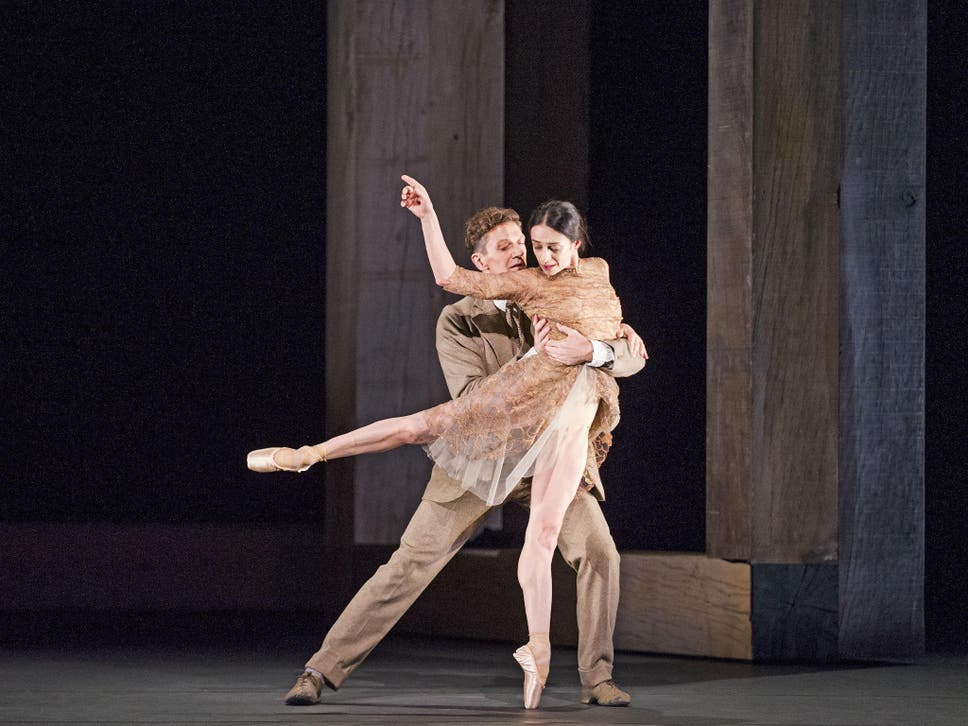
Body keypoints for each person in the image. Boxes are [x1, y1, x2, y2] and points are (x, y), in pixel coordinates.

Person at [250, 176, 646, 708]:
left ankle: (597, 679)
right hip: (480, 455)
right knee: (408, 565)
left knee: (600, 552)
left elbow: (629, 356)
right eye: (506, 248)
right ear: (481, 264)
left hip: (550, 458)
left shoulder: (564, 288)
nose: (521, 255)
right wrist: (541, 362)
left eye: (523, 246)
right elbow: (472, 399)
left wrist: (594, 350)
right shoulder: (459, 320)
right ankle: (319, 672)